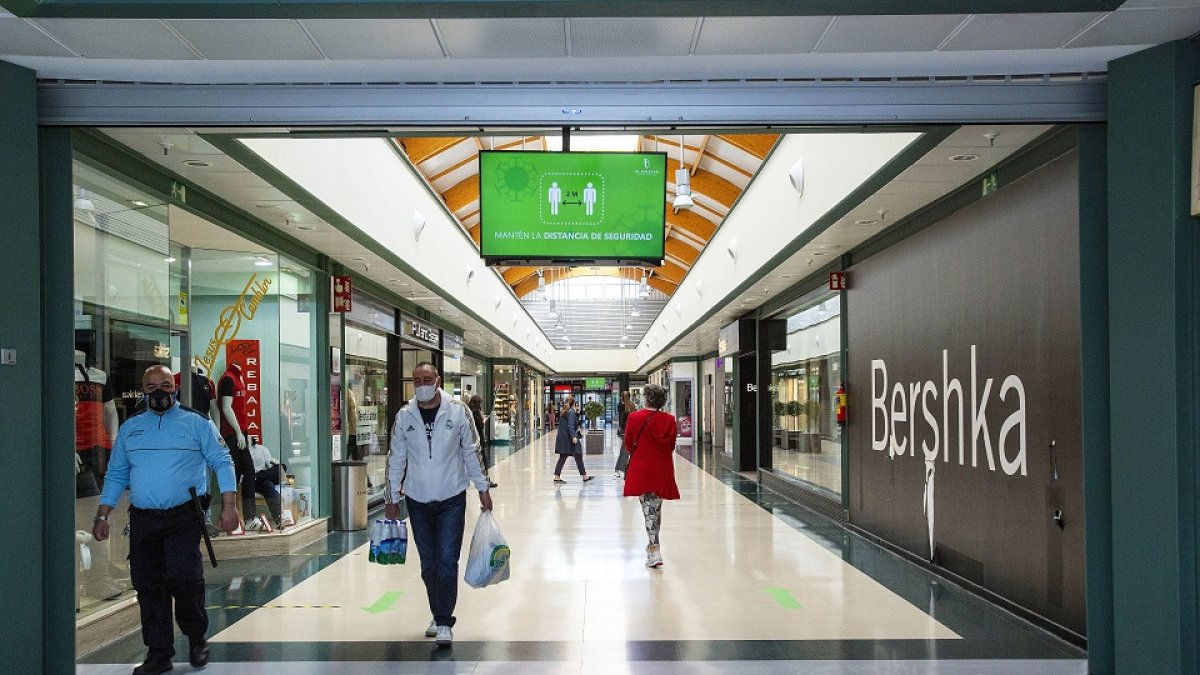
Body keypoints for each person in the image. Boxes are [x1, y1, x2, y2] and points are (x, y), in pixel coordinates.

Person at [92, 365, 240, 675]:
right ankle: (159, 653)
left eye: (165, 384)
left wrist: (229, 505)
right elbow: (117, 473)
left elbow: (222, 461)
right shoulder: (132, 428)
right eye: (151, 385)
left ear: (175, 387)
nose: (159, 391)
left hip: (184, 515)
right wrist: (103, 513)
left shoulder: (197, 423)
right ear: (143, 390)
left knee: (184, 578)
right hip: (144, 519)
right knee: (148, 585)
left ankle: (196, 636)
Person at [385, 362, 492, 647]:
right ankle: (438, 612)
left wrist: (482, 488)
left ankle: (444, 620)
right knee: (428, 565)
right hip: (417, 500)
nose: (422, 384)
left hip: (452, 499)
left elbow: (472, 452)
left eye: (427, 379)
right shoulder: (405, 416)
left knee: (446, 561)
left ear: (438, 380)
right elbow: (396, 458)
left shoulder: (458, 412)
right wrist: (391, 497)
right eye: (417, 379)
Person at [622, 383, 679, 569]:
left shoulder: (634, 418)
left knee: (649, 509)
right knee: (655, 509)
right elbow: (671, 446)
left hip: (642, 469)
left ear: (646, 398)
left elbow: (629, 444)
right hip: (662, 469)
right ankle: (652, 547)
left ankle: (655, 551)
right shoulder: (670, 420)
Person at [553, 395, 592, 483]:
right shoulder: (570, 412)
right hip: (570, 439)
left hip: (565, 438)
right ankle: (584, 476)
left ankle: (558, 476)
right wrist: (574, 436)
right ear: (573, 403)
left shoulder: (565, 411)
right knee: (576, 454)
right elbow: (570, 426)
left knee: (570, 456)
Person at [468, 395, 498, 488]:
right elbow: (480, 426)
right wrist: (483, 420)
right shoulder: (476, 412)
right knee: (483, 463)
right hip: (479, 440)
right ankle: (486, 481)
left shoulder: (468, 411)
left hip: (472, 441)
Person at [614, 391, 635, 480]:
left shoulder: (621, 406)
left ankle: (620, 469)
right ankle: (621, 469)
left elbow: (622, 421)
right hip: (630, 431)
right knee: (626, 450)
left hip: (624, 431)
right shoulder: (631, 406)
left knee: (625, 450)